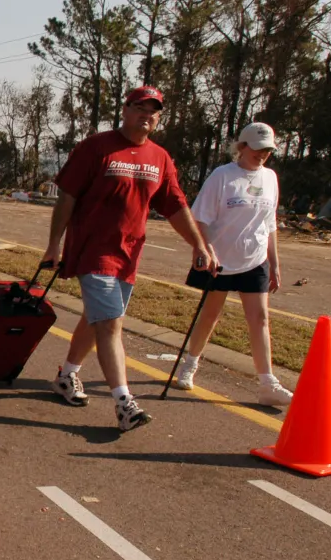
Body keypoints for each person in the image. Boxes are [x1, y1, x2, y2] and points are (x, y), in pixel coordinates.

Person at [41, 86, 214, 432]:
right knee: (110, 324)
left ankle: (67, 376)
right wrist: (53, 245)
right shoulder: (95, 147)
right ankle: (124, 403)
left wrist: (199, 245)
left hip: (129, 255)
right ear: (125, 110)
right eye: (140, 107)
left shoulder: (160, 158)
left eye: (154, 110)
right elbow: (67, 198)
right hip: (93, 251)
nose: (146, 115)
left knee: (97, 318)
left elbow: (176, 206)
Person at [173, 122, 293, 406]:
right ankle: (190, 363)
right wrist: (207, 250)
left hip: (256, 259)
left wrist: (274, 263)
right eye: (256, 148)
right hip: (221, 259)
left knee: (260, 319)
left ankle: (267, 383)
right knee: (211, 314)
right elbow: (199, 217)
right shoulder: (222, 176)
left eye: (267, 150)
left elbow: (270, 223)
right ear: (242, 147)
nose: (262, 155)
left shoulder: (271, 178)